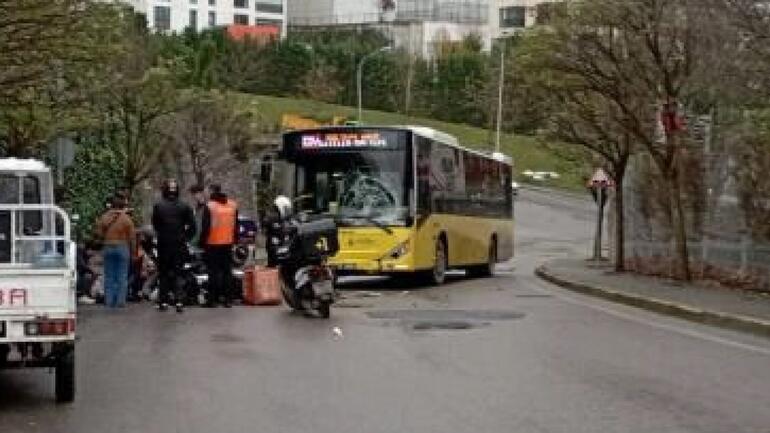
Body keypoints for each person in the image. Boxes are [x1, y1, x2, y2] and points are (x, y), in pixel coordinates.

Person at [152, 179, 196, 313]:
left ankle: (163, 301)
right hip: (179, 244)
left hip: (164, 244)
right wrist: (185, 237)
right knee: (179, 273)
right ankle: (179, 301)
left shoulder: (158, 206)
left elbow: (156, 225)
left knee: (163, 273)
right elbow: (193, 226)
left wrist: (163, 234)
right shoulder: (184, 206)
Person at [200, 184, 238, 308]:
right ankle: (228, 299)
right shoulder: (232, 205)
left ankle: (212, 299)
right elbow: (235, 226)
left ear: (211, 191)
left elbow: (205, 228)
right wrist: (234, 241)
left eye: (207, 191)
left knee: (213, 273)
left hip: (213, 244)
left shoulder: (210, 206)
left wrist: (202, 243)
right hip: (228, 243)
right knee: (227, 272)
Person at [95, 193, 135, 309]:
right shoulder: (127, 219)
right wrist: (133, 252)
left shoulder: (104, 217)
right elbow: (132, 237)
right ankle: (120, 301)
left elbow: (98, 233)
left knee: (109, 276)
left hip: (108, 246)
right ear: (123, 205)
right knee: (122, 275)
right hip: (122, 246)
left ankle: (109, 301)